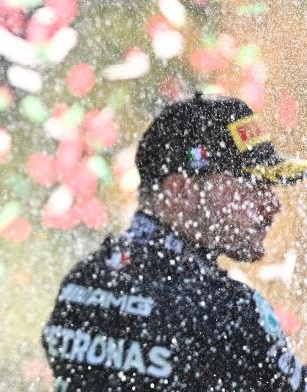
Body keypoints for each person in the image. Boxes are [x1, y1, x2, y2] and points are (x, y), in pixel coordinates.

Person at [43, 92, 307, 390]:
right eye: (253, 185)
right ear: (180, 191)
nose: (272, 206)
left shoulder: (82, 284)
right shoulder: (226, 310)